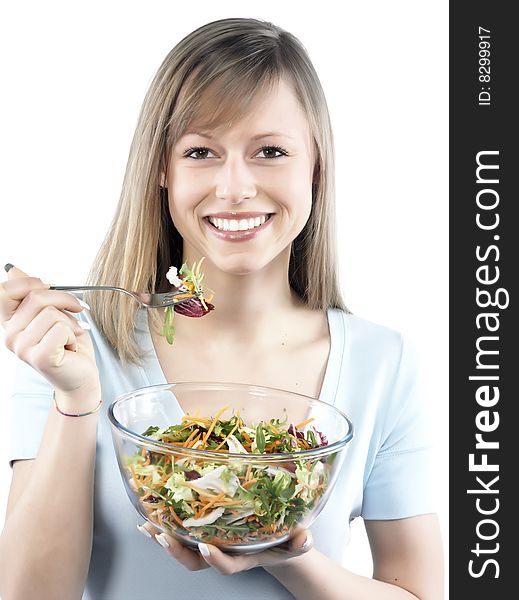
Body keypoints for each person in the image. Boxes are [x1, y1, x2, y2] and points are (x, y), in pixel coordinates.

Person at [0, 17, 443, 600]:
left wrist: (288, 556)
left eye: (270, 151)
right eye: (202, 150)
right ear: (162, 168)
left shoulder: (382, 361)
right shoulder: (74, 343)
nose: (235, 188)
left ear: (316, 166)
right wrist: (77, 399)